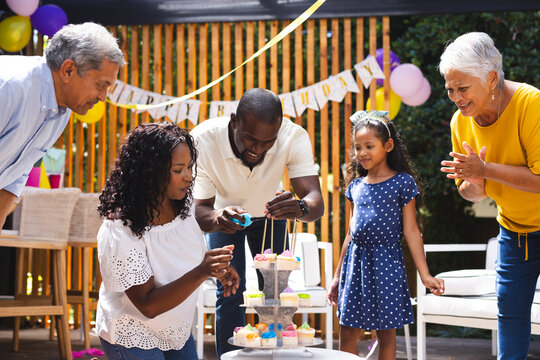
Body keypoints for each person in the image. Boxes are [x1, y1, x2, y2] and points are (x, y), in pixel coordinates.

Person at [190, 87, 324, 357]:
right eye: (251, 139)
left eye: (268, 142)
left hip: (271, 214)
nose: (258, 149)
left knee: (275, 293)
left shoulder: (292, 136)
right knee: (229, 293)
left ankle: (276, 355)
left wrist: (298, 208)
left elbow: (315, 202)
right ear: (234, 122)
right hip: (223, 216)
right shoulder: (203, 140)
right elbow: (199, 211)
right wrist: (218, 218)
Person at [96, 122, 240, 360]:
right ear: (149, 172)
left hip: (175, 332)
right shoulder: (121, 229)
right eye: (178, 170)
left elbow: (179, 260)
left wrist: (215, 270)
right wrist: (202, 271)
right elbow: (147, 305)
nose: (189, 176)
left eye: (189, 166)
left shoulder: (183, 208)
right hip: (132, 333)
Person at [439, 32, 540, 359]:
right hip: (514, 231)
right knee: (510, 315)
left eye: (462, 88)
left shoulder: (530, 104)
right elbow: (471, 193)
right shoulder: (460, 121)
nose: (455, 96)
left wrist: (485, 170)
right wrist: (474, 180)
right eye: (450, 89)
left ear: (491, 78)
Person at [327, 110, 444, 359]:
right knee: (347, 332)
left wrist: (425, 274)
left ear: (388, 145)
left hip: (387, 264)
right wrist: (337, 276)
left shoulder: (402, 183)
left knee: (386, 334)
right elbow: (350, 233)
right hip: (355, 264)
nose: (362, 153)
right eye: (358, 147)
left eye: (369, 145)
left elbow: (411, 230)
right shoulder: (355, 186)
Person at [0, 22, 125, 229]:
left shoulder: (61, 112)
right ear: (68, 70)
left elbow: (16, 172)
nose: (103, 97)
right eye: (100, 85)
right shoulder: (9, 87)